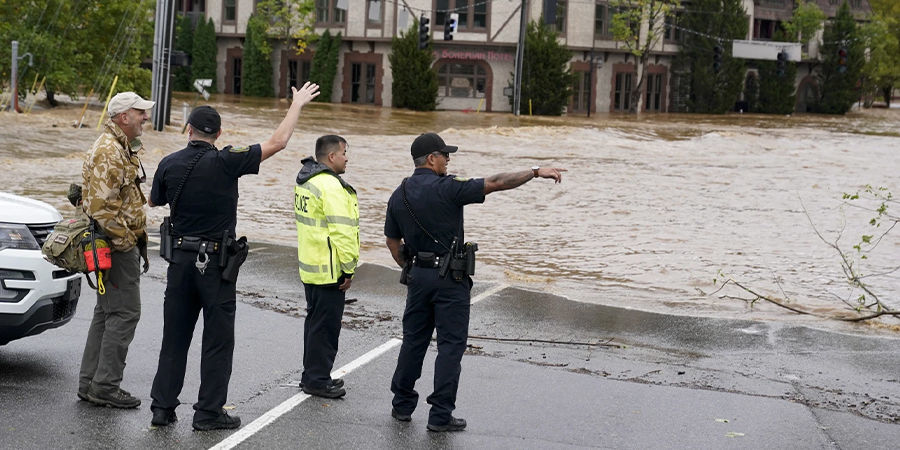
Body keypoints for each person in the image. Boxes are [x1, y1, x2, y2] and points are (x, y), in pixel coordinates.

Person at [148, 82, 320, 430]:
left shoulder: (169, 163)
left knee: (175, 339)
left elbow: (153, 202)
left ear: (188, 130)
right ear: (220, 133)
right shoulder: (228, 160)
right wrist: (297, 103)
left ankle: (162, 409)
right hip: (216, 265)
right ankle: (208, 413)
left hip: (179, 262)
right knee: (217, 341)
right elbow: (278, 142)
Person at [384, 132, 565, 432]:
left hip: (417, 277)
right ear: (431, 159)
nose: (449, 159)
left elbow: (392, 242)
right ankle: (440, 416)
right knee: (450, 347)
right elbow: (496, 182)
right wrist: (535, 172)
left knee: (414, 341)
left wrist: (414, 269)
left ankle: (402, 406)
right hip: (450, 280)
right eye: (445, 155)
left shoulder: (398, 194)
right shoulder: (449, 188)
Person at [79, 91, 155, 409]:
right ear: (124, 117)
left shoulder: (118, 146)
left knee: (107, 312)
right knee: (124, 314)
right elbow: (101, 208)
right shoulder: (110, 150)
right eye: (141, 113)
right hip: (114, 245)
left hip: (112, 243)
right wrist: (127, 244)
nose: (146, 118)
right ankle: (105, 386)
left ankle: (91, 383)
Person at [294, 135, 359, 399]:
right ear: (331, 156)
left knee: (314, 325)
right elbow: (342, 232)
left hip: (311, 267)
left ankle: (311, 374)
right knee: (326, 328)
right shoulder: (331, 187)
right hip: (330, 270)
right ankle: (318, 380)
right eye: (344, 153)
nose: (347, 157)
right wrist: (348, 269)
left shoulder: (306, 180)